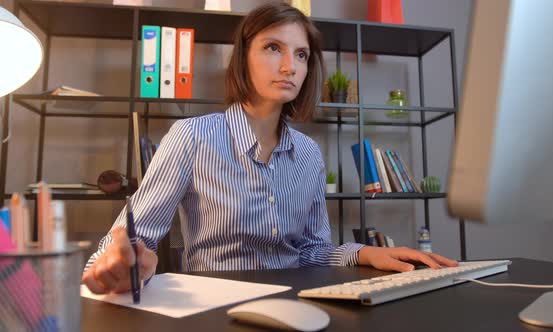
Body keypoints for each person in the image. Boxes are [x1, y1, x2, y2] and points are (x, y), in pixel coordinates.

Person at [82, 2, 457, 295]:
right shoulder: (191, 138)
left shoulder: (308, 153)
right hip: (217, 305)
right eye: (273, 48)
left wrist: (364, 253)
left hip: (298, 302)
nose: (289, 66)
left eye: (301, 55)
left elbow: (310, 251)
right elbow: (127, 242)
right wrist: (117, 265)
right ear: (243, 57)